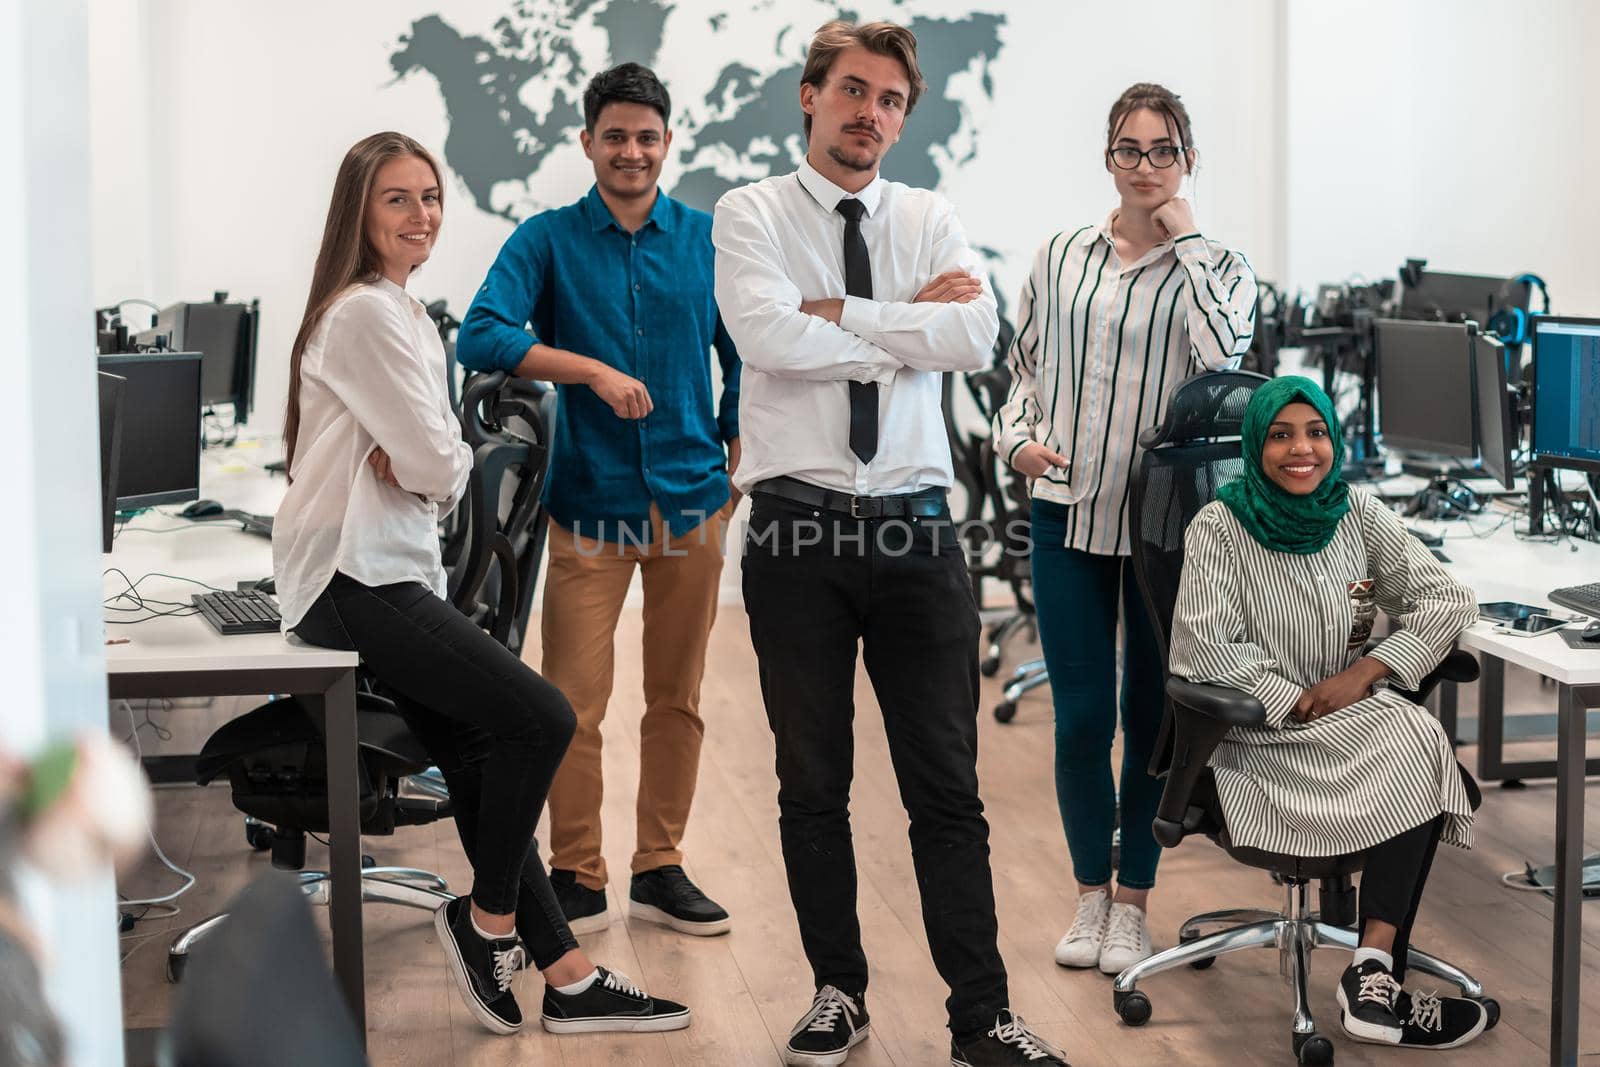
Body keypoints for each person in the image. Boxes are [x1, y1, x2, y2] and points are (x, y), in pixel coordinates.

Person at [273, 131, 690, 1038]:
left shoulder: (399, 313)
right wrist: (435, 458)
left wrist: (433, 458)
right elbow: (436, 458)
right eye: (397, 199)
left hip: (383, 570)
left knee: (471, 756)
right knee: (541, 717)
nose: (420, 214)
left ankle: (569, 977)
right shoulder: (367, 316)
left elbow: (433, 458)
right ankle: (483, 920)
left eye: (429, 197)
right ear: (359, 211)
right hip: (355, 578)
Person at [714, 21, 1070, 1067]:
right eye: (854, 91)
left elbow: (974, 338)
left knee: (946, 788)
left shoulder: (928, 213)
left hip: (919, 532)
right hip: (795, 529)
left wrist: (845, 315)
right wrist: (900, 324)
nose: (872, 113)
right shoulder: (749, 213)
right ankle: (837, 990)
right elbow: (764, 336)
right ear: (810, 95)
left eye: (891, 101)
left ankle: (981, 1017)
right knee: (811, 780)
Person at [456, 63, 740, 939]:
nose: (631, 151)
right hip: (590, 504)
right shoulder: (545, 241)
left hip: (693, 501)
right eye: (614, 136)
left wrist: (734, 436)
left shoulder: (705, 240)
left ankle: (661, 865)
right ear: (588, 143)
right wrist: (587, 369)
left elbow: (750, 349)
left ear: (667, 143)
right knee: (571, 704)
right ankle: (577, 870)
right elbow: (482, 334)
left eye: (647, 136)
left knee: (677, 697)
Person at [991, 82, 1257, 976]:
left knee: (1149, 717)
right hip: (1065, 512)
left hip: (1163, 531)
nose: (1144, 167)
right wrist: (1017, 440)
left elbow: (1225, 353)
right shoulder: (1060, 254)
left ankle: (1136, 905)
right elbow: (1022, 370)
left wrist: (1186, 240)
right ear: (1107, 155)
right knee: (1079, 718)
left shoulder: (1216, 266)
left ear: (1188, 160)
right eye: (1129, 149)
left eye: (1163, 150)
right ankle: (1088, 898)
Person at [1168, 376, 1489, 1051]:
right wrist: (1301, 701)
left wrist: (1367, 671)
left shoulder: (1360, 515)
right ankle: (1379, 980)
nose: (1301, 449)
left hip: (1348, 721)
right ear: (1255, 445)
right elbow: (1205, 650)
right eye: (1280, 435)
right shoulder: (1218, 527)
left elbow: (1447, 599)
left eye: (1314, 432)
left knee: (1415, 733)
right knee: (1420, 741)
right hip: (1256, 739)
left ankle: (1370, 971)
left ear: (1333, 440)